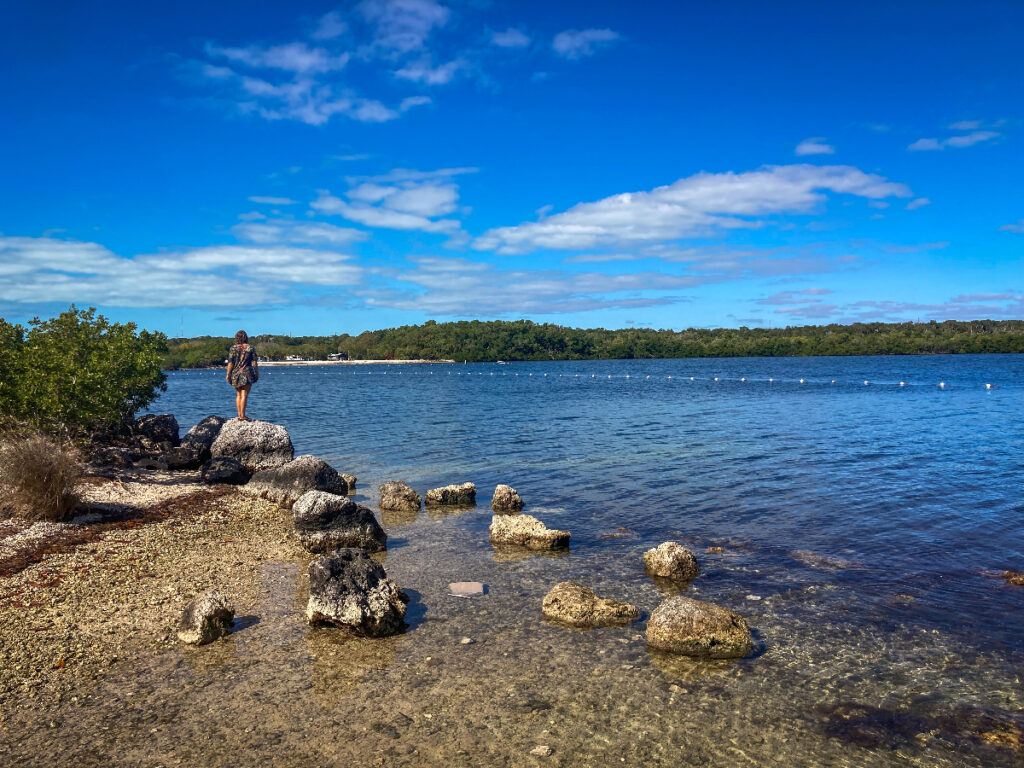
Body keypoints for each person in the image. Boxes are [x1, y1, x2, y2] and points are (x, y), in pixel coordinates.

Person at [225, 330, 259, 421]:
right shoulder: (250, 348)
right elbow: (254, 363)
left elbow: (230, 363)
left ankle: (239, 414)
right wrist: (257, 373)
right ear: (246, 337)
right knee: (244, 394)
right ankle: (243, 415)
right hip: (247, 372)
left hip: (235, 373)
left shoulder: (233, 348)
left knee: (238, 394)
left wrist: (228, 374)